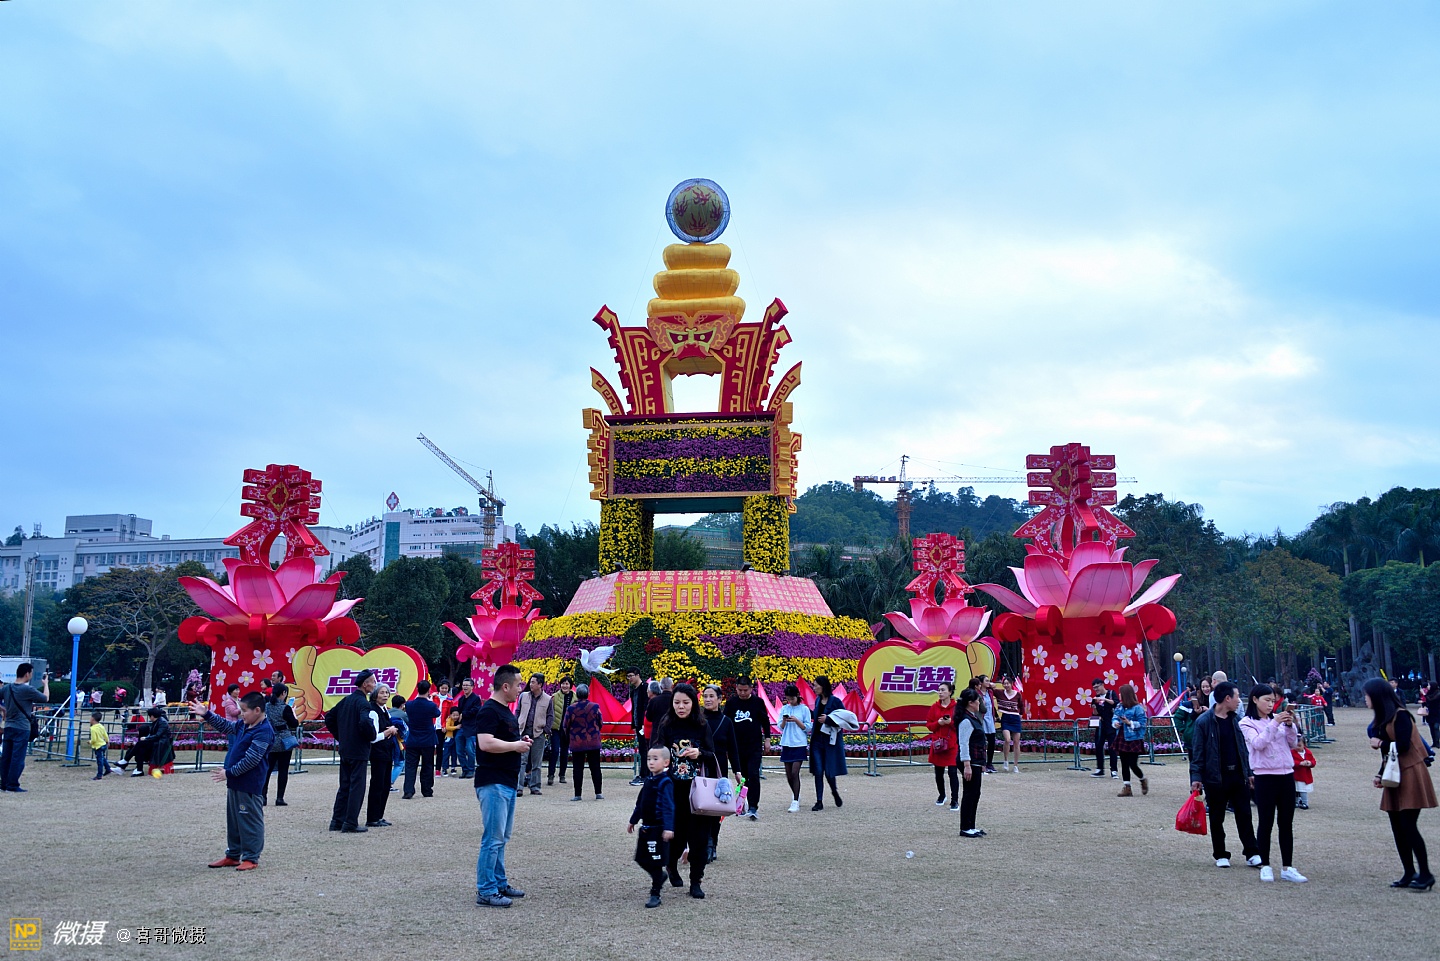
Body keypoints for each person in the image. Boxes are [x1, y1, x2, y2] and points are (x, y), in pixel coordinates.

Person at [1363, 676, 1436, 890]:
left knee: (1408, 825)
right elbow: (1390, 754)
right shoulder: (1383, 718)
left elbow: (1403, 746)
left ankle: (1425, 874)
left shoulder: (1401, 715)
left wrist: (1380, 743)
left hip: (1410, 773)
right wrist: (1380, 774)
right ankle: (1409, 872)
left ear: (1377, 696)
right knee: (1397, 826)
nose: (1365, 699)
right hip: (1394, 774)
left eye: (1367, 695)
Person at [190, 691, 274, 870]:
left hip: (249, 784)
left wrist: (229, 773)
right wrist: (207, 714)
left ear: (257, 710)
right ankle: (233, 855)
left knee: (250, 820)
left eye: (244, 711)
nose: (241, 714)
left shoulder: (264, 731)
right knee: (235, 820)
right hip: (235, 783)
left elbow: (252, 760)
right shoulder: (244, 725)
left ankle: (251, 857)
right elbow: (226, 726)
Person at [474, 664, 531, 908]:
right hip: (493, 781)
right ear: (505, 686)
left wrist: (519, 741)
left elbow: (502, 740)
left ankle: (498, 882)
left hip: (506, 781)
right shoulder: (489, 711)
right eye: (518, 684)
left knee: (501, 838)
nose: (521, 688)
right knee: (493, 838)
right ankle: (486, 890)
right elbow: (486, 743)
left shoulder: (505, 711)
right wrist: (515, 746)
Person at [654, 682, 717, 899]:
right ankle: (671, 865)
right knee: (676, 837)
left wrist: (699, 753)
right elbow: (656, 753)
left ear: (693, 703)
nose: (681, 707)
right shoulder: (666, 725)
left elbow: (712, 754)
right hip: (673, 792)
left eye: (686, 702)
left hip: (698, 793)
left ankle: (696, 881)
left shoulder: (702, 725)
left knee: (699, 839)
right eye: (677, 702)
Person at [1189, 681, 1261, 869]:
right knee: (1216, 817)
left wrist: (1249, 772)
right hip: (1215, 778)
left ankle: (1252, 852)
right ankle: (1220, 854)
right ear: (1227, 698)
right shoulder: (1204, 722)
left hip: (1238, 775)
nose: (1239, 701)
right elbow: (1197, 753)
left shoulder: (1238, 721)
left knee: (1244, 815)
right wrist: (1196, 778)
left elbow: (1244, 749)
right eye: (1237, 696)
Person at [1240, 684, 1306, 883]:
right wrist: (1275, 722)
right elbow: (1258, 744)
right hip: (1265, 776)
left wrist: (1290, 725)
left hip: (1286, 774)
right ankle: (1266, 865)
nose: (1270, 705)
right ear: (1255, 700)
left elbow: (1293, 743)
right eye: (1266, 700)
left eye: (1273, 701)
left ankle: (1288, 867)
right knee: (1266, 822)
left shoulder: (1276, 719)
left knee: (1286, 823)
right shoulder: (1246, 723)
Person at [328, 668, 382, 833]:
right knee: (357, 786)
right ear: (365, 684)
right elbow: (365, 722)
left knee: (344, 785)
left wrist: (341, 736)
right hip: (358, 750)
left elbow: (329, 717)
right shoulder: (363, 703)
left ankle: (337, 821)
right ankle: (350, 822)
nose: (375, 684)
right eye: (373, 681)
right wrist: (371, 735)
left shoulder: (346, 700)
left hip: (346, 748)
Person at [628, 745, 676, 909]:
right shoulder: (648, 780)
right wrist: (633, 820)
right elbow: (640, 803)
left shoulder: (666, 782)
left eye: (655, 759)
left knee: (656, 861)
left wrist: (668, 828)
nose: (651, 762)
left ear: (666, 762)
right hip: (645, 828)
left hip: (658, 829)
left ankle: (655, 893)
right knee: (641, 858)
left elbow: (669, 807)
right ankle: (660, 876)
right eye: (649, 759)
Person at [724, 677, 771, 819]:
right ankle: (741, 804)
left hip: (754, 746)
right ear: (736, 688)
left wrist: (767, 739)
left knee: (754, 775)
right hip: (737, 747)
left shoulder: (758, 702)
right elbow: (725, 723)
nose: (743, 693)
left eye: (745, 690)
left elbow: (765, 721)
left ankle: (753, 806)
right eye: (740, 690)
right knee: (742, 777)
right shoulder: (731, 703)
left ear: (751, 688)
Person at [702, 685, 739, 862]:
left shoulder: (726, 722)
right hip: (701, 767)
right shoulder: (698, 719)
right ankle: (702, 843)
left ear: (719, 699)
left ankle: (712, 843)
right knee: (700, 806)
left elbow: (733, 748)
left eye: (711, 696)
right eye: (705, 696)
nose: (708, 699)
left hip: (719, 769)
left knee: (716, 808)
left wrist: (737, 770)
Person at [0, 663, 49, 792]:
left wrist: (3, 709)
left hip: (9, 726)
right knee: (17, 757)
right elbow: (45, 698)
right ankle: (12, 785)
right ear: (27, 674)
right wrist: (46, 684)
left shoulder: (7, 688)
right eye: (31, 673)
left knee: (6, 757)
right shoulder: (27, 689)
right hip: (22, 727)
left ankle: (4, 783)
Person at [364, 684, 400, 828]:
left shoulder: (385, 709)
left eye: (387, 692)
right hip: (378, 752)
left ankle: (379, 815)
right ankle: (372, 817)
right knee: (377, 785)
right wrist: (388, 732)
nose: (385, 695)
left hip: (387, 751)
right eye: (382, 692)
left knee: (385, 785)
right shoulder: (373, 711)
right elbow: (373, 737)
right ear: (375, 695)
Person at [809, 676, 847, 811]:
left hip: (830, 741)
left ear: (823, 686)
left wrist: (828, 719)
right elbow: (816, 717)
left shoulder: (835, 701)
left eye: (816, 685)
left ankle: (834, 791)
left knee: (829, 771)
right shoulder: (817, 700)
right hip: (817, 740)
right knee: (818, 770)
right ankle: (819, 801)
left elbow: (844, 719)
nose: (814, 688)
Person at [262, 683, 300, 806]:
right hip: (284, 740)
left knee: (267, 770)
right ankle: (279, 798)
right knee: (283, 770)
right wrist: (293, 712)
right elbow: (294, 724)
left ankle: (263, 796)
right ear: (283, 693)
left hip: (271, 739)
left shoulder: (267, 706)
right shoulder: (285, 708)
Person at [564, 683, 604, 800]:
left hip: (577, 742)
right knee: (595, 767)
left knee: (577, 768)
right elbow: (600, 722)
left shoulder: (571, 709)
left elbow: (565, 725)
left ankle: (578, 794)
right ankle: (598, 792)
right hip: (593, 741)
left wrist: (570, 735)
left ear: (577, 694)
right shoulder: (595, 707)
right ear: (588, 694)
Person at [956, 687, 987, 838]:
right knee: (969, 793)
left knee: (975, 793)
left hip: (976, 761)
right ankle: (965, 827)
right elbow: (964, 743)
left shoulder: (973, 717)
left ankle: (971, 825)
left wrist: (982, 763)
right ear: (970, 702)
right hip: (970, 761)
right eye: (977, 700)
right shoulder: (966, 721)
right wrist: (967, 765)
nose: (979, 703)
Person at [514, 674, 552, 797]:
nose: (531, 684)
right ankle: (519, 787)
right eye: (530, 682)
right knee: (521, 761)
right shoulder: (523, 696)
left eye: (533, 682)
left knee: (537, 763)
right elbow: (518, 711)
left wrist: (546, 729)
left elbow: (550, 715)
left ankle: (535, 786)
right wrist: (516, 724)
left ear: (540, 684)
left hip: (538, 733)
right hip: (523, 731)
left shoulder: (548, 699)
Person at [403, 680, 440, 799]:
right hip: (428, 739)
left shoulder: (409, 704)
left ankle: (408, 790)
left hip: (413, 739)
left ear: (417, 689)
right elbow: (437, 713)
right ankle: (427, 790)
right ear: (429, 690)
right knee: (428, 765)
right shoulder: (431, 705)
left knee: (410, 766)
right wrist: (430, 700)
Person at [777, 685, 812, 813]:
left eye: (792, 699)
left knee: (794, 772)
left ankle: (795, 801)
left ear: (797, 696)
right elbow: (780, 727)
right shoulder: (784, 708)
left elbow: (808, 727)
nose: (790, 701)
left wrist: (797, 721)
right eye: (788, 699)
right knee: (788, 774)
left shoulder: (804, 709)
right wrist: (785, 721)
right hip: (787, 743)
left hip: (799, 744)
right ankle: (795, 794)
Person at [927, 682, 960, 811]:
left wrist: (950, 722)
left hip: (952, 744)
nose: (940, 692)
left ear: (950, 692)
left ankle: (955, 800)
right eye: (939, 690)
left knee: (953, 772)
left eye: (943, 690)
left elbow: (960, 725)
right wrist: (938, 723)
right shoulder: (934, 707)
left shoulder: (957, 707)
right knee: (938, 772)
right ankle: (942, 795)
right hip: (938, 744)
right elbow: (929, 725)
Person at [1113, 684, 1150, 797]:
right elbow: (1115, 717)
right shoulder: (1119, 706)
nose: (1119, 695)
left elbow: (1142, 723)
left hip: (1134, 738)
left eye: (1121, 693)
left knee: (1132, 764)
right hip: (1122, 737)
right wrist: (1115, 723)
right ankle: (1127, 787)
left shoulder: (1138, 708)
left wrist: (1130, 723)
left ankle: (1142, 779)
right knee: (1124, 763)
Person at [1089, 678, 1119, 779]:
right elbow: (1095, 713)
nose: (1096, 690)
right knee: (1098, 746)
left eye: (1097, 687)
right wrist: (1094, 708)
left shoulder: (1111, 693)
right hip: (1100, 725)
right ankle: (1100, 769)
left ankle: (1114, 770)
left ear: (1102, 685)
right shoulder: (1095, 698)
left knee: (1112, 748)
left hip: (1111, 724)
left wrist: (1104, 700)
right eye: (1094, 688)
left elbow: (1116, 703)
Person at [993, 676, 1024, 772]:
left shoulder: (1017, 694)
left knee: (1016, 742)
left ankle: (1015, 765)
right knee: (1007, 739)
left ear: (1011, 684)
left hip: (1015, 719)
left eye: (1008, 683)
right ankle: (1006, 760)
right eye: (1004, 683)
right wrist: (991, 684)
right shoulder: (1000, 693)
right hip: (1005, 718)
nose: (1006, 685)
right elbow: (990, 690)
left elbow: (1021, 706)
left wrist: (1020, 714)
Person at [548, 677, 575, 786]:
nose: (565, 686)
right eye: (563, 683)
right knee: (554, 751)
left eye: (567, 684)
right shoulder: (555, 697)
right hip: (556, 728)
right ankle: (550, 775)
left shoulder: (575, 697)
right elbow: (550, 712)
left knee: (564, 752)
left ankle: (562, 775)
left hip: (568, 730)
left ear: (570, 685)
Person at [455, 678, 483, 779]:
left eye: (467, 685)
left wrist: (464, 714)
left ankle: (471, 770)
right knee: (459, 750)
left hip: (471, 728)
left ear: (472, 687)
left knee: (470, 750)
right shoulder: (461, 699)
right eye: (464, 685)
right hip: (462, 727)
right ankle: (464, 769)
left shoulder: (476, 699)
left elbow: (476, 711)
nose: (465, 687)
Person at [135, 705, 175, 776]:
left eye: (149, 716)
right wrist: (146, 738)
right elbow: (152, 734)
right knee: (139, 746)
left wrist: (146, 738)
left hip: (161, 743)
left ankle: (126, 762)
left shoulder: (162, 722)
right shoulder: (156, 722)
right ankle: (129, 764)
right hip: (156, 741)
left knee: (139, 745)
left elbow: (158, 735)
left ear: (152, 716)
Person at [626, 669, 649, 786]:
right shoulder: (633, 691)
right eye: (628, 676)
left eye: (631, 676)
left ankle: (645, 775)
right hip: (638, 724)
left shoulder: (645, 688)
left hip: (645, 724)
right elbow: (634, 709)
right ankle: (643, 773)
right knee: (642, 749)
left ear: (638, 675)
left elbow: (646, 707)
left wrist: (644, 723)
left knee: (645, 749)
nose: (629, 678)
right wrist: (634, 724)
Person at [975, 675, 999, 773]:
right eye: (986, 681)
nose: (989, 682)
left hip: (990, 719)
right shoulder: (977, 693)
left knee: (992, 742)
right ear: (981, 683)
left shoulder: (990, 692)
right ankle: (982, 764)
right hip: (981, 719)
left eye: (989, 681)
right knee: (982, 743)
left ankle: (990, 763)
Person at [388, 694, 409, 788]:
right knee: (399, 763)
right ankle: (390, 783)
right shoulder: (403, 715)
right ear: (402, 705)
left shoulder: (387, 712)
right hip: (397, 741)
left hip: (385, 739)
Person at [1292, 735, 1316, 810]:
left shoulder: (1308, 752)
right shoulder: (1292, 752)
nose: (1297, 747)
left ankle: (1305, 802)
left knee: (1303, 790)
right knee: (1295, 790)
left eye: (1299, 746)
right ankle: (1296, 802)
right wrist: (1299, 763)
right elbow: (1290, 762)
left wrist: (1310, 763)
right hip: (1295, 775)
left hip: (1304, 775)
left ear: (1304, 745)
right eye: (1296, 745)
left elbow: (1313, 761)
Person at [89, 711, 111, 780]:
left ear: (93, 719)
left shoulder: (93, 728)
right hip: (103, 744)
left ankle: (99, 775)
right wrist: (107, 741)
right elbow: (105, 734)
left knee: (99, 761)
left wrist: (90, 742)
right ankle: (108, 769)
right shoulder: (101, 726)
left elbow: (94, 739)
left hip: (98, 746)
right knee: (102, 758)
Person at [441, 705, 461, 777]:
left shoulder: (459, 720)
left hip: (455, 739)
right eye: (454, 715)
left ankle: (453, 768)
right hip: (448, 738)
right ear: (450, 715)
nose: (455, 717)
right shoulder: (449, 719)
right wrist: (456, 727)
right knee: (446, 754)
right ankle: (444, 768)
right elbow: (447, 727)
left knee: (454, 754)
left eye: (457, 715)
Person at [1422, 681, 1440, 748]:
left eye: (1429, 685)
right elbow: (1427, 702)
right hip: (1430, 713)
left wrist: (1424, 694)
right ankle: (1434, 742)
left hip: (1437, 712)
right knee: (1431, 728)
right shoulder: (1429, 693)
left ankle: (1437, 742)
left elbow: (1432, 700)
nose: (1428, 686)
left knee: (1436, 727)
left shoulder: (1438, 693)